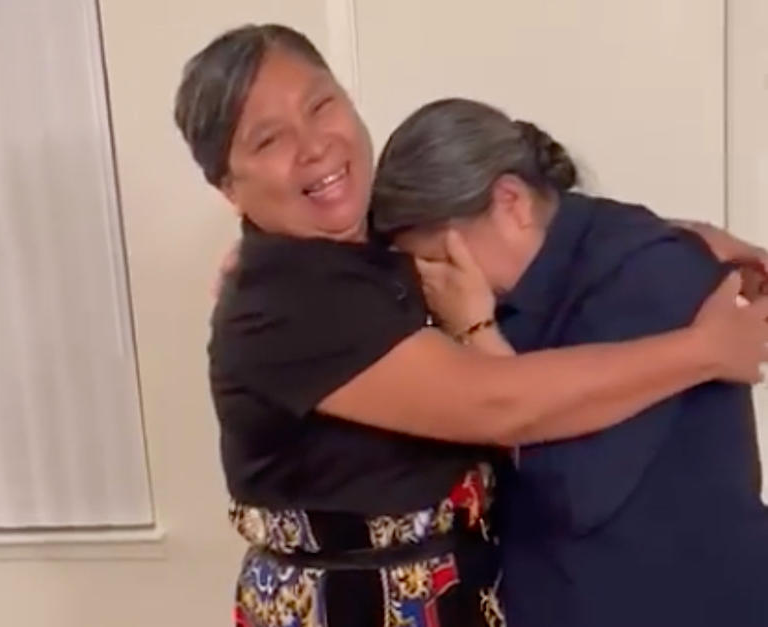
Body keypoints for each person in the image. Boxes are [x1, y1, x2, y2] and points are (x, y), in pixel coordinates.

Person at [173, 24, 768, 627]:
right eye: (269, 139)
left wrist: (685, 238)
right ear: (229, 186)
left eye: (320, 104)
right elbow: (502, 405)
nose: (313, 145)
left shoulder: (361, 247)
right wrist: (706, 349)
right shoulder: (287, 301)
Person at [370, 97, 768, 626]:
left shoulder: (649, 272)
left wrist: (477, 334)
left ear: (511, 202)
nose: (434, 284)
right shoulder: (533, 273)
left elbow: (568, 490)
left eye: (441, 259)